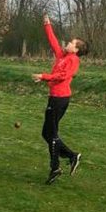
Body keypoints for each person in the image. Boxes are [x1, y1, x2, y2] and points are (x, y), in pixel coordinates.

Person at [32, 13, 89, 185]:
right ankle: (72, 156)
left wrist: (44, 76)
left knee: (52, 133)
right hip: (54, 98)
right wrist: (47, 25)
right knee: (47, 133)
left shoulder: (73, 60)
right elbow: (53, 41)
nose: (69, 43)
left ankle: (55, 167)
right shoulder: (62, 55)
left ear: (76, 50)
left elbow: (62, 76)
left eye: (72, 43)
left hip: (60, 99)